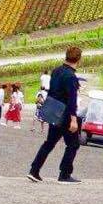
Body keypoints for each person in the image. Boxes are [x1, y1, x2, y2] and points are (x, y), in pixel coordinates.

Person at [28, 47, 84, 184]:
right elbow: (71, 100)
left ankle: (34, 170)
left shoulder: (56, 71)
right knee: (73, 144)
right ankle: (64, 174)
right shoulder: (71, 77)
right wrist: (73, 120)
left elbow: (52, 92)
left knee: (49, 143)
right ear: (79, 59)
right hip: (65, 114)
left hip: (53, 111)